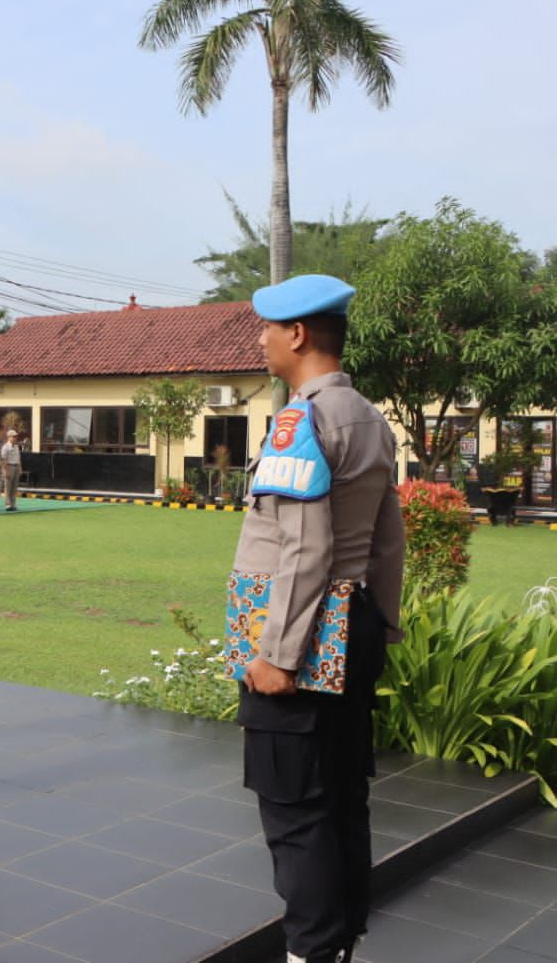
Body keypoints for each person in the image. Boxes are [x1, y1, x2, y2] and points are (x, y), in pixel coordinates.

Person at [231, 275, 404, 963]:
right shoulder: (366, 415)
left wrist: (277, 652)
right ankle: (338, 941)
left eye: (266, 329)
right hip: (352, 620)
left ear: (296, 334)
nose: (261, 340)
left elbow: (304, 546)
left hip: (303, 634)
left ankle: (309, 948)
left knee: (293, 803)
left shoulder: (299, 420)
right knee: (338, 796)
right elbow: (386, 534)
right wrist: (381, 621)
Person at [0, 429, 22, 511]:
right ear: (8, 437)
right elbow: (3, 460)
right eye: (13, 436)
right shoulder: (5, 447)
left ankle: (13, 504)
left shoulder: (16, 446)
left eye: (15, 436)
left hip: (16, 466)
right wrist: (5, 471)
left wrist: (20, 468)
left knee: (14, 487)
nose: (15, 438)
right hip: (9, 466)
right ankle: (8, 504)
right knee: (8, 486)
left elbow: (19, 457)